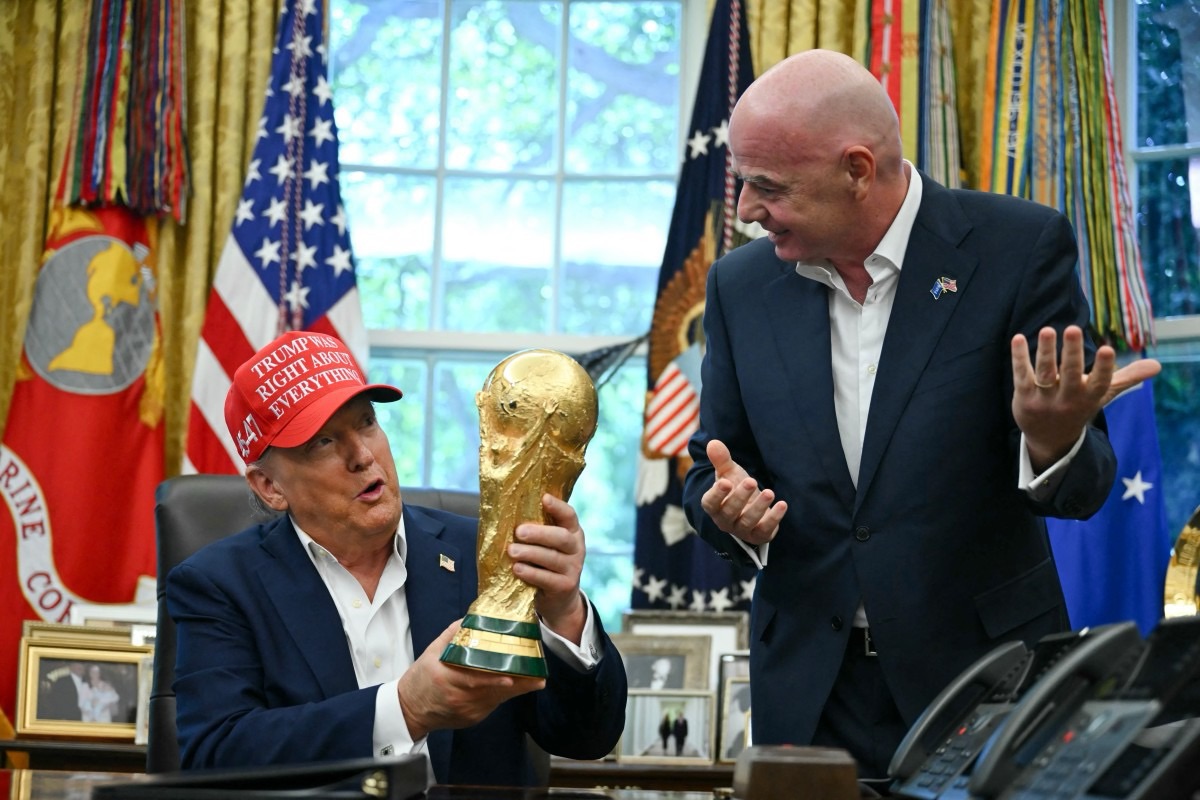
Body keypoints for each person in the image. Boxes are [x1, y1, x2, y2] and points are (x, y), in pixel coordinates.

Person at [681, 49, 1162, 781]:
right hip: (810, 693)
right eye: (742, 182)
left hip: (985, 682)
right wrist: (728, 512)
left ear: (857, 169)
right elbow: (711, 469)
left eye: (767, 186)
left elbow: (1084, 487)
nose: (745, 209)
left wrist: (1054, 438)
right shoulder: (738, 287)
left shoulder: (1017, 248)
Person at [167, 330, 627, 786]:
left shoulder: (489, 554)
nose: (363, 455)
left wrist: (565, 613)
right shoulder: (219, 584)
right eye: (323, 442)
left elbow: (586, 738)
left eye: (367, 422)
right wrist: (405, 708)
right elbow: (216, 755)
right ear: (270, 487)